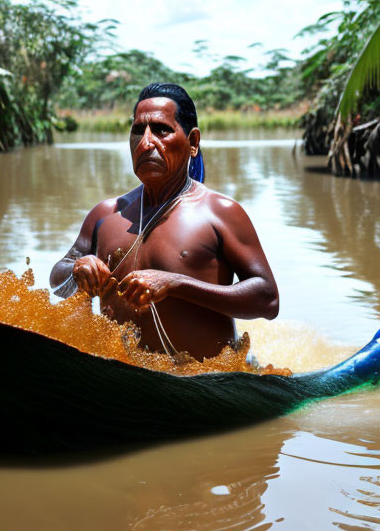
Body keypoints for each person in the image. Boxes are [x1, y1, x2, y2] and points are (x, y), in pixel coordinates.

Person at [50, 83, 278, 360]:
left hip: (205, 382)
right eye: (138, 131)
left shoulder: (220, 212)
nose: (146, 143)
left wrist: (176, 284)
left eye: (161, 130)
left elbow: (268, 299)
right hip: (120, 374)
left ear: (193, 142)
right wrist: (78, 268)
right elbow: (57, 279)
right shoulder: (105, 214)